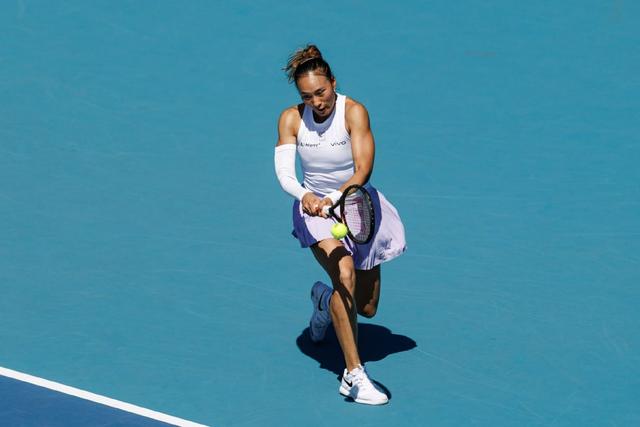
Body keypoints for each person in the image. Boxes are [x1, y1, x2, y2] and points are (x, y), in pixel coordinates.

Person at [274, 44, 406, 405]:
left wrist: (334, 198)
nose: (316, 102)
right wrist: (305, 195)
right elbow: (285, 174)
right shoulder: (290, 119)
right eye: (307, 96)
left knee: (367, 307)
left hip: (356, 205)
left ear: (333, 82)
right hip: (315, 213)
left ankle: (323, 301)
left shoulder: (354, 112)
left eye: (321, 92)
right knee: (344, 272)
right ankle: (353, 375)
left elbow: (363, 169)